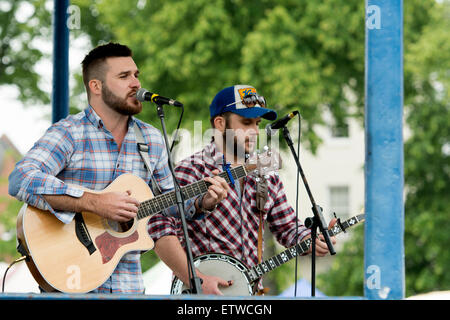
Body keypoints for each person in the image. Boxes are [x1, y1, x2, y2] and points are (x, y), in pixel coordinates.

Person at [8, 42, 228, 294]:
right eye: (124, 76)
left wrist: (204, 202)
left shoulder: (152, 139)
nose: (136, 83)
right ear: (96, 86)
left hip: (130, 288)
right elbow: (20, 179)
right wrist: (93, 203)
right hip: (73, 286)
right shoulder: (70, 133)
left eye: (136, 75)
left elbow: (170, 203)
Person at [148, 84, 337, 295]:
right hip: (199, 295)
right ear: (220, 123)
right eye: (246, 123)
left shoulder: (266, 175)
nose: (255, 131)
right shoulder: (190, 170)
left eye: (257, 123)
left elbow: (287, 228)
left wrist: (311, 239)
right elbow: (157, 226)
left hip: (249, 294)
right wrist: (196, 280)